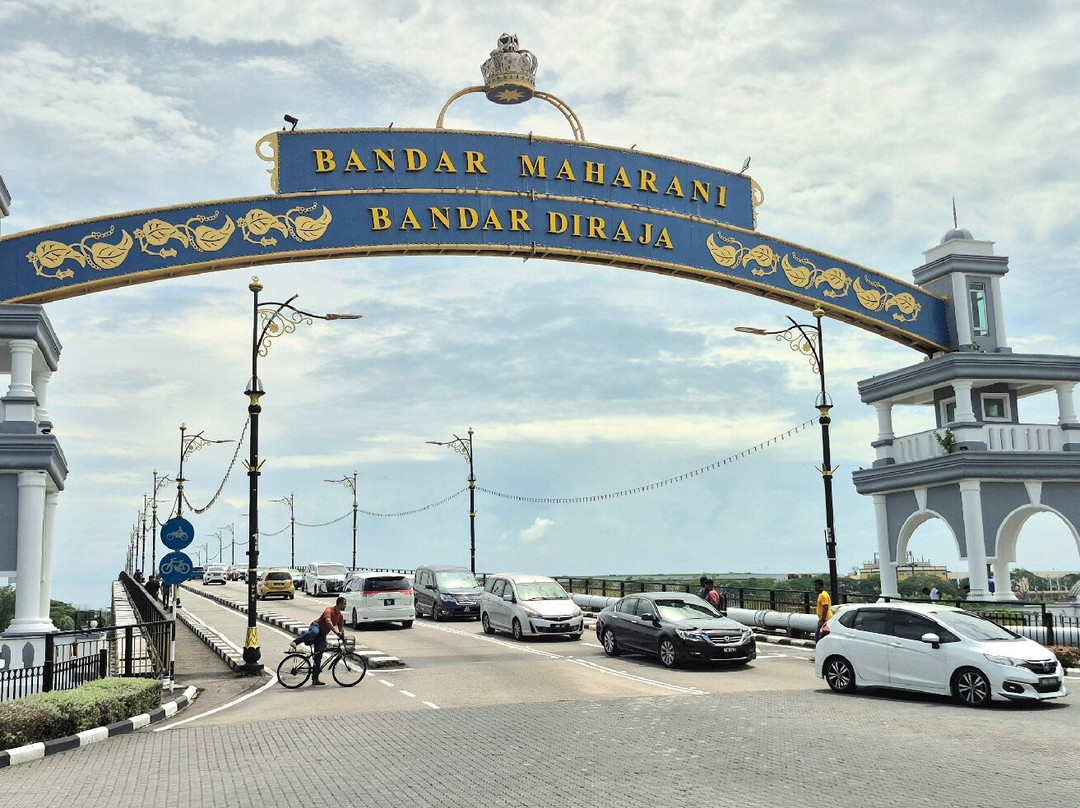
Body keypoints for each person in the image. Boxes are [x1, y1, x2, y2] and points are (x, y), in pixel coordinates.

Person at [291, 596, 347, 685]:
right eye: (344, 604)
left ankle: (315, 679)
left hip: (322, 635)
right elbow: (328, 621)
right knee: (314, 632)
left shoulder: (340, 616)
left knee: (319, 655)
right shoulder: (329, 610)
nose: (345, 606)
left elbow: (341, 627)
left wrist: (342, 635)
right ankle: (295, 642)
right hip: (316, 626)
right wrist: (336, 632)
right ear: (339, 604)